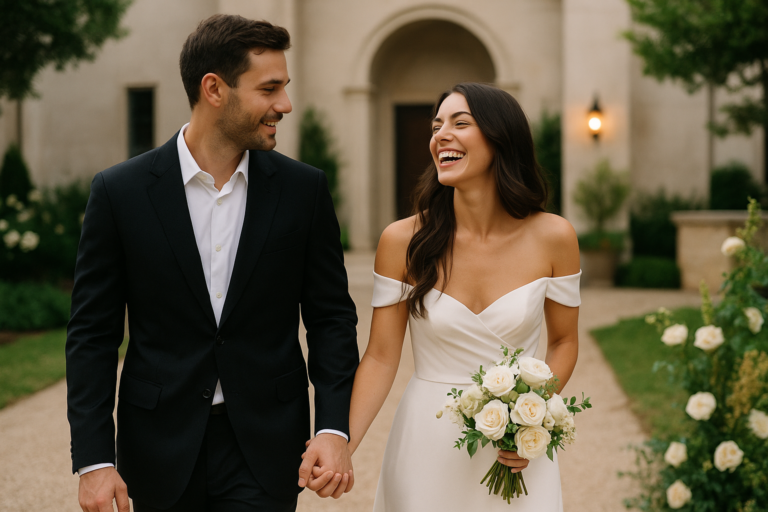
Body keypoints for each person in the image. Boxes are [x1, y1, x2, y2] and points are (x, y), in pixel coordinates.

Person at [66, 14, 358, 512]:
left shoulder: (303, 190)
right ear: (214, 89)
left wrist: (332, 429)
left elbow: (332, 319)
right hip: (156, 447)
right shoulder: (119, 193)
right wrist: (94, 460)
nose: (284, 105)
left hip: (266, 447)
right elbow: (93, 334)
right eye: (269, 89)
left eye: (284, 88)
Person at [345, 82, 581, 511]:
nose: (440, 135)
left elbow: (564, 342)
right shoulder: (402, 240)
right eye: (436, 126)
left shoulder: (554, 237)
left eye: (460, 123)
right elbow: (380, 357)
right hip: (426, 444)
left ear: (500, 138)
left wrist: (533, 414)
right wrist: (343, 443)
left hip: (517, 455)